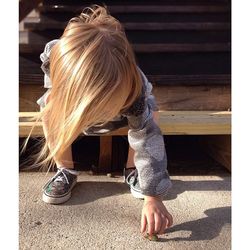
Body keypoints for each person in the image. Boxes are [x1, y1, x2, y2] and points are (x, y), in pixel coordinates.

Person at [26, 5, 173, 237]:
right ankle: (65, 170)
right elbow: (55, 88)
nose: (98, 114)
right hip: (73, 109)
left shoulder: (134, 92)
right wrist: (65, 102)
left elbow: (148, 142)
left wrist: (153, 196)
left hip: (124, 115)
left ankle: (132, 169)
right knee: (49, 106)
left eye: (102, 106)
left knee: (151, 113)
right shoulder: (57, 58)